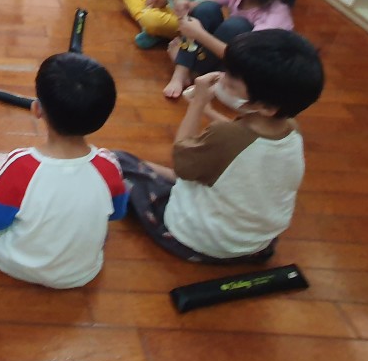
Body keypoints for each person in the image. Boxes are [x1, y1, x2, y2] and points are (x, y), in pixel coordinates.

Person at [114, 30, 323, 264]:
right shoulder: (291, 129)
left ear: (266, 107)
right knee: (198, 170)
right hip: (256, 245)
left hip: (200, 240)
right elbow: (246, 141)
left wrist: (197, 104)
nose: (220, 80)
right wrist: (209, 111)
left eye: (230, 83)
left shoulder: (226, 136)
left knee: (117, 160)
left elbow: (181, 159)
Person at [0, 53, 128, 289]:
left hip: (13, 262)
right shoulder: (109, 166)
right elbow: (116, 213)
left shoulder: (21, 165)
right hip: (84, 271)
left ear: (37, 109)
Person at [164, 0, 307, 99]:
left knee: (235, 26)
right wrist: (186, 4)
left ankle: (194, 72)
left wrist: (199, 34)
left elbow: (245, 59)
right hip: (231, 55)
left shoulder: (275, 17)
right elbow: (210, 2)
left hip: (250, 69)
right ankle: (181, 73)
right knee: (206, 9)